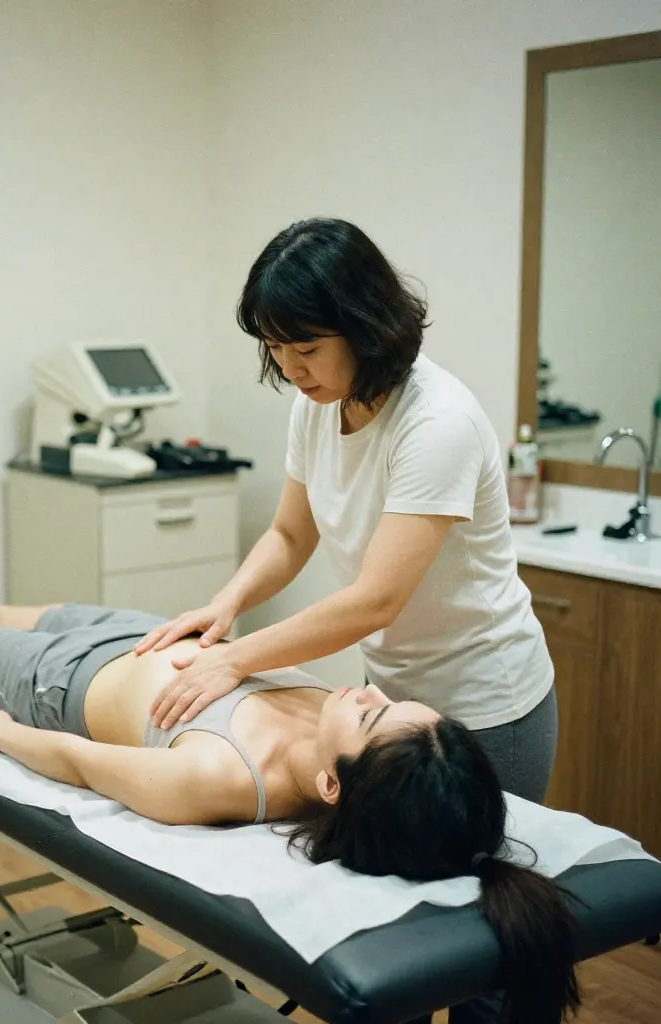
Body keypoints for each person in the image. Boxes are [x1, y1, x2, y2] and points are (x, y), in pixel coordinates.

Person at [0, 548, 580, 1024]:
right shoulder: (348, 742)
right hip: (151, 635)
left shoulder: (219, 775)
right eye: (384, 701)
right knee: (43, 611)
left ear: (330, 784)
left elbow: (85, 764)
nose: (365, 695)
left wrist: (2, 735)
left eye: (371, 717)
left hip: (60, 680)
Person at [135, 217, 558, 815]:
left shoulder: (437, 424)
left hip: (485, 704)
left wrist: (234, 658)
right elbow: (288, 534)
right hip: (391, 698)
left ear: (366, 329)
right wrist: (225, 605)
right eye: (275, 348)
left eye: (306, 348)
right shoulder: (317, 406)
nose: (289, 368)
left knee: (474, 885)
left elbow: (374, 601)